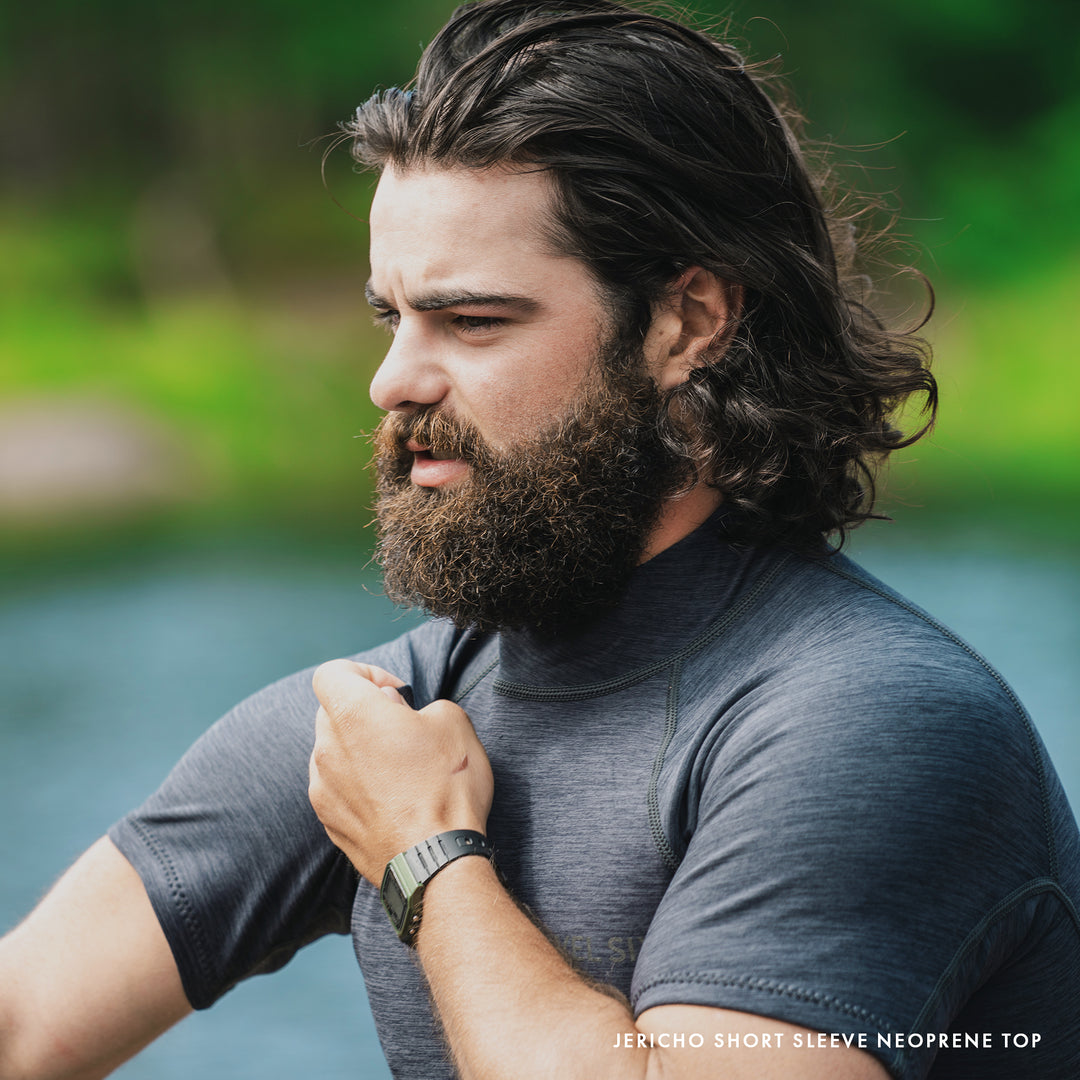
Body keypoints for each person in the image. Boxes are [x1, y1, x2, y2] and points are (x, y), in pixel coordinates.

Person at [2, 1, 1078, 1077]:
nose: (393, 380)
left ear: (686, 323)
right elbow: (26, 1020)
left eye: (473, 322)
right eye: (393, 317)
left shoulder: (871, 724)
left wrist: (430, 860)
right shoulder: (383, 734)